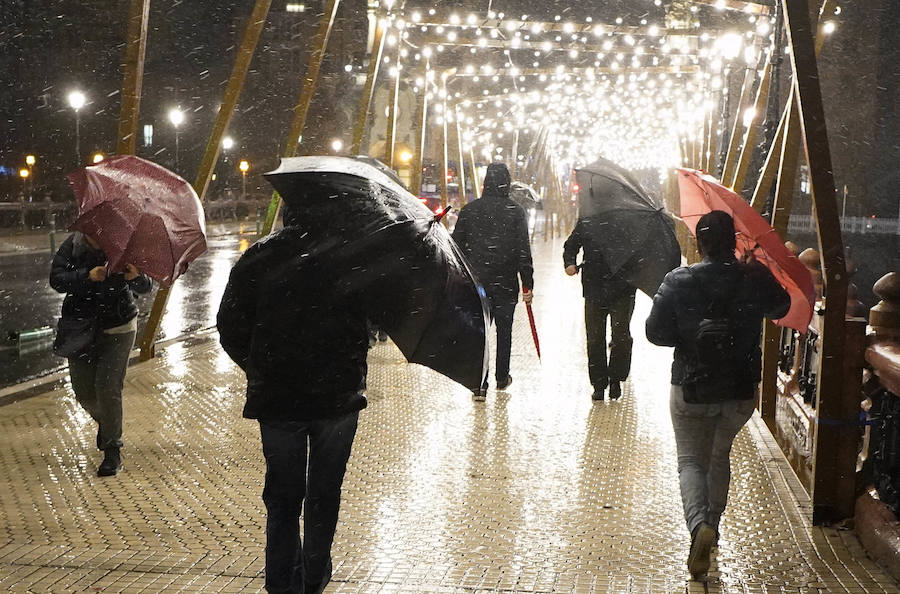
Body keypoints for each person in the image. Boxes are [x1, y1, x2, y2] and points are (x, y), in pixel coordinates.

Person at [217, 203, 369, 594]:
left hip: (279, 399)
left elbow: (230, 324)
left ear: (287, 215)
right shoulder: (350, 259)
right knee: (325, 492)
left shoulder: (258, 257)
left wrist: (257, 366)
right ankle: (314, 576)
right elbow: (371, 324)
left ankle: (282, 580)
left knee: (283, 495)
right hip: (336, 398)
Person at [645, 210, 790, 580]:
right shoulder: (752, 276)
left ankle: (699, 528)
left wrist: (690, 335)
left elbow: (655, 333)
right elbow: (782, 307)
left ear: (699, 243)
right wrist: (756, 271)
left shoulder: (679, 279)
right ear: (733, 242)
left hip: (692, 385)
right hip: (739, 388)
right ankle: (713, 525)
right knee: (718, 454)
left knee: (691, 462)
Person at [49, 231, 152, 477]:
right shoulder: (73, 246)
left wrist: (135, 277)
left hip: (119, 325)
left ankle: (112, 451)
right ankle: (107, 426)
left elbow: (146, 285)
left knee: (108, 388)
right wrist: (87, 276)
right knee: (83, 391)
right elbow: (56, 279)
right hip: (81, 327)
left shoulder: (123, 245)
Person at [452, 162, 534, 401]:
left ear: (485, 182)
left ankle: (479, 383)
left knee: (479, 332)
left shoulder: (469, 210)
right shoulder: (516, 212)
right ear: (506, 183)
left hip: (476, 282)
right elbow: (523, 252)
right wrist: (527, 282)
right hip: (506, 282)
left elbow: (456, 247)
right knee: (504, 331)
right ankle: (502, 376)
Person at [563, 217, 636, 401]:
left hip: (623, 287)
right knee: (595, 337)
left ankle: (616, 379)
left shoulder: (630, 219)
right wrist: (569, 262)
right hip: (594, 285)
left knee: (621, 335)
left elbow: (641, 249)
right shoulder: (589, 218)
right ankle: (599, 383)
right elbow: (571, 244)